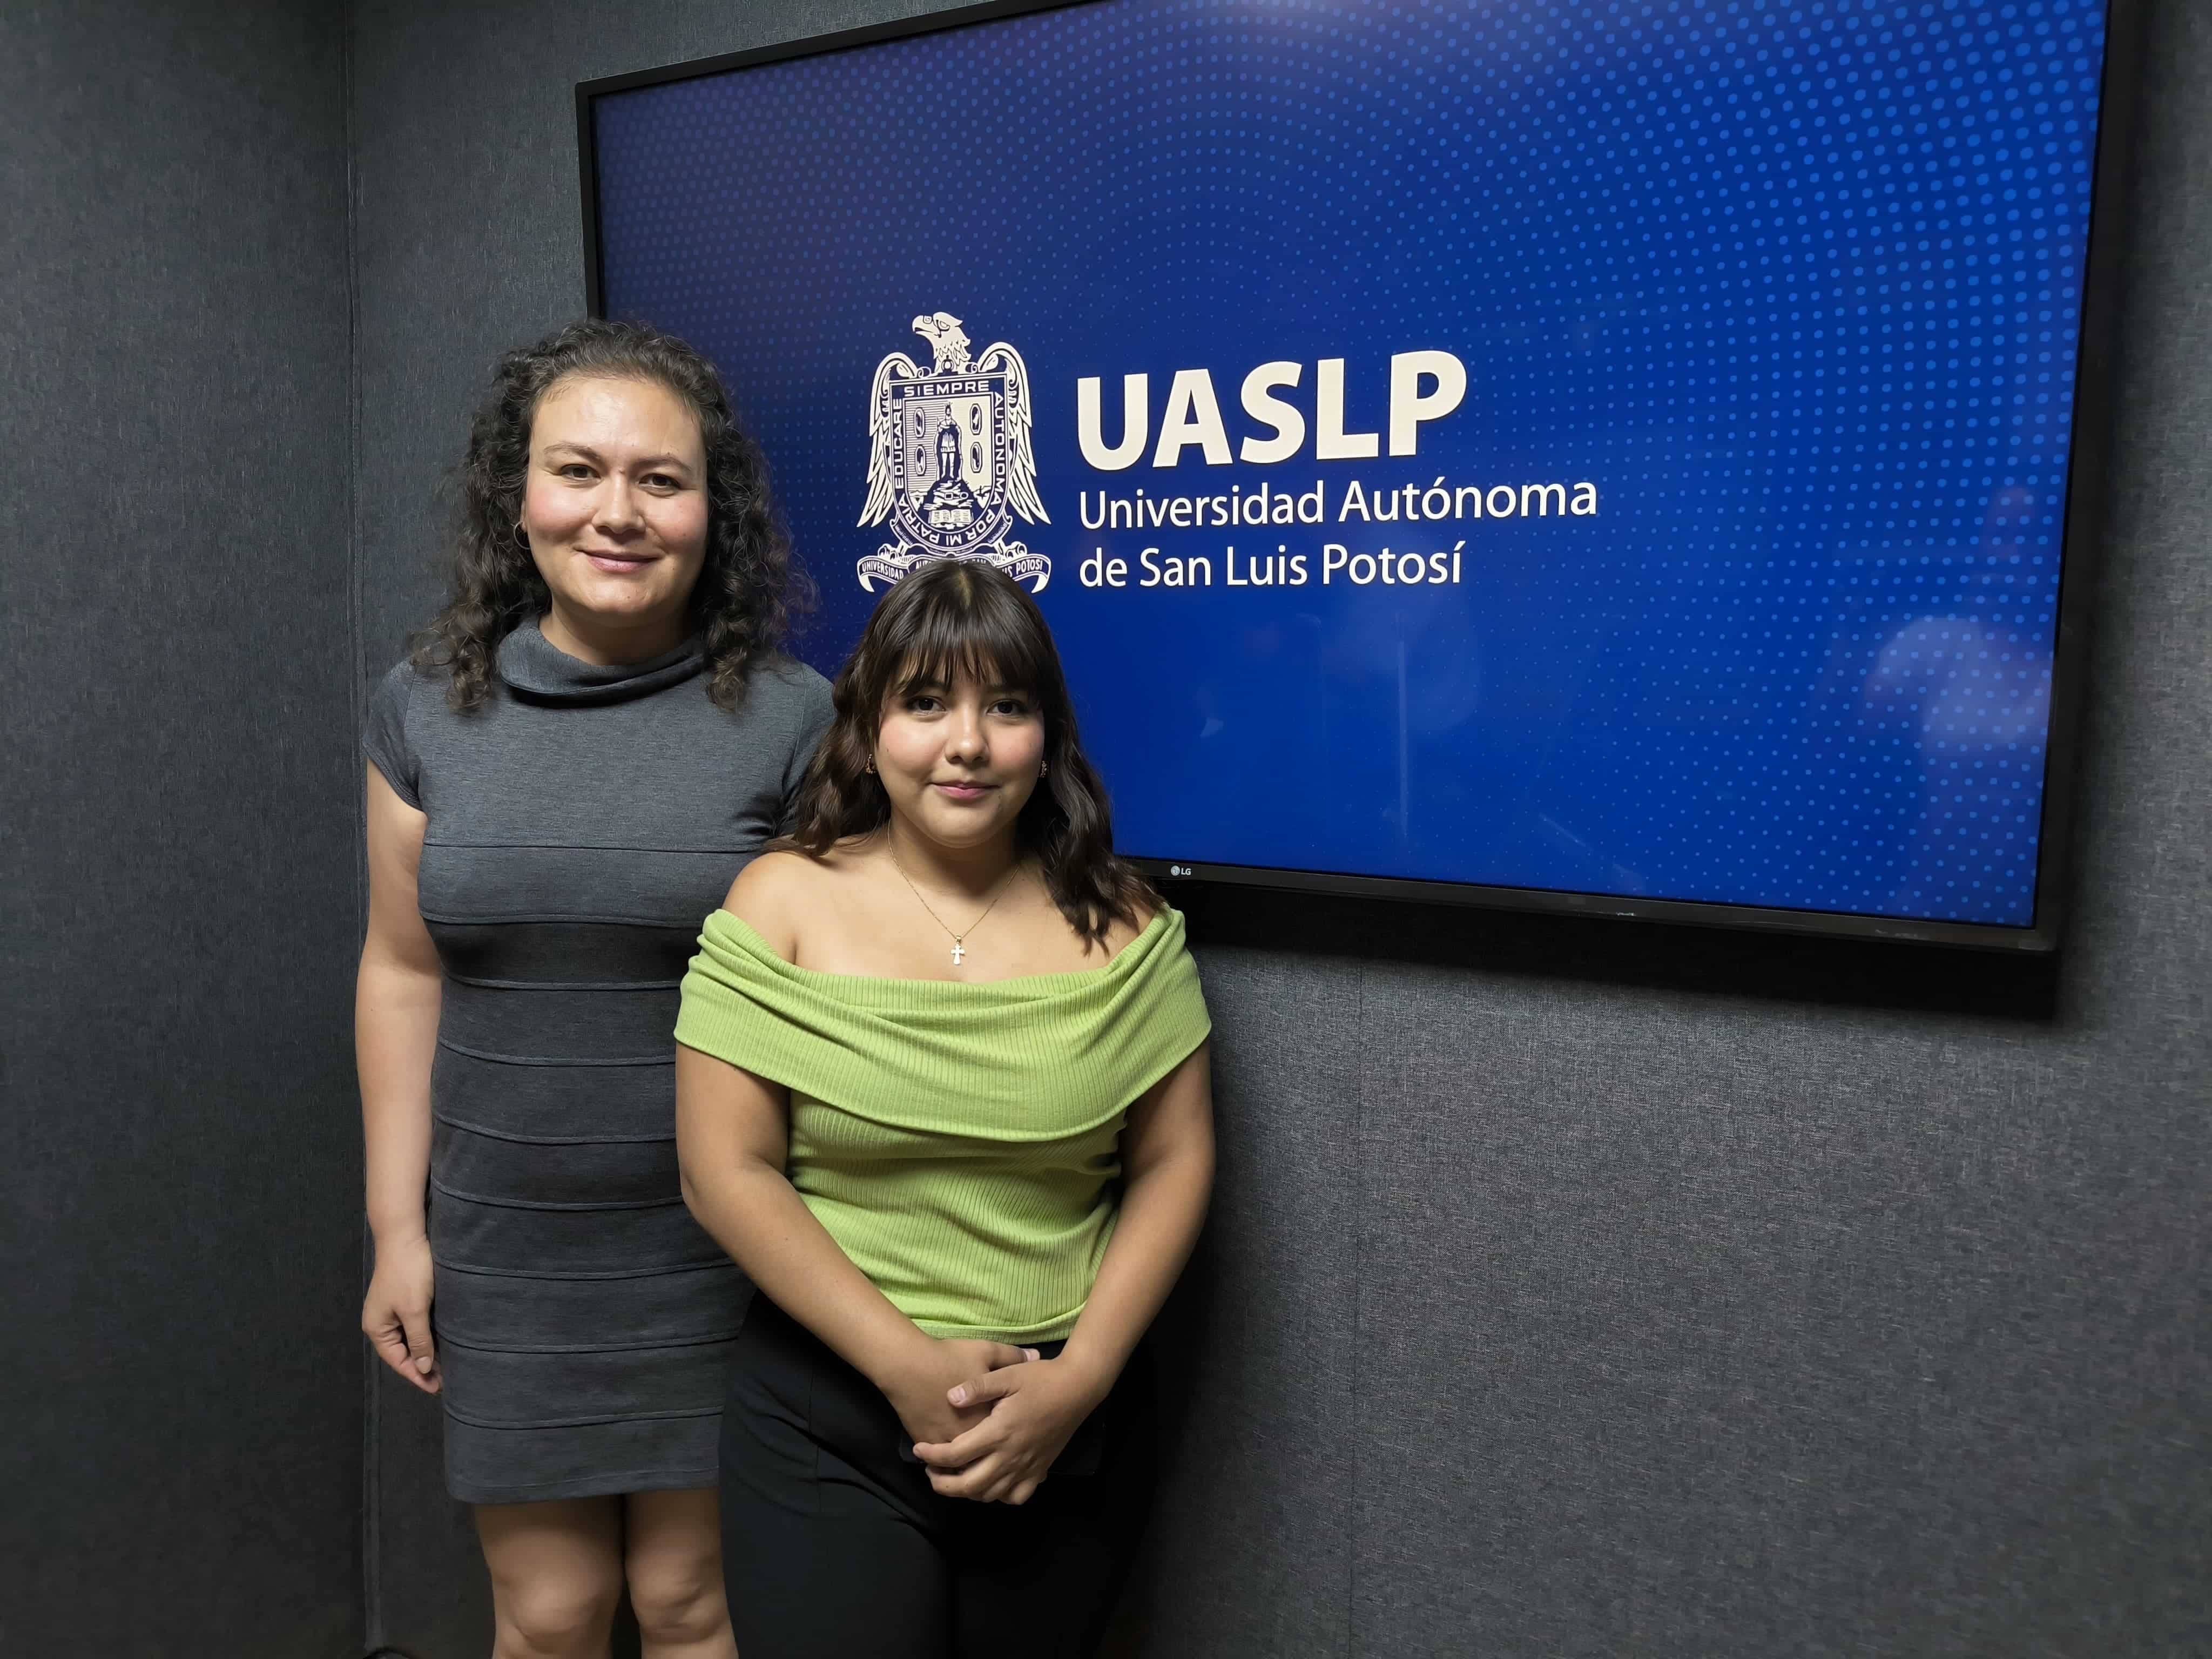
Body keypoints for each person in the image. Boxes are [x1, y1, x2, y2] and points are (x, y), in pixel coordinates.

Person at [356, 318, 832, 1659]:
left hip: (717, 1245)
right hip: (506, 1247)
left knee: (691, 1606)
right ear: (516, 497)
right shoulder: (424, 706)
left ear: (710, 514)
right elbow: (399, 967)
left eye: (659, 481)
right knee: (549, 1611)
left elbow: (838, 1006)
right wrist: (396, 1228)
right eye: (577, 471)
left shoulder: (794, 718)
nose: (616, 512)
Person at [673, 559, 1215, 1658]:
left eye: (1004, 707)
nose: (966, 742)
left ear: (1045, 739)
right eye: (925, 703)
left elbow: (1174, 1162)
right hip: (827, 1411)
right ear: (870, 730)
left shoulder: (1125, 924)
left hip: (1057, 1422)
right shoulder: (782, 899)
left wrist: (1082, 1380)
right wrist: (905, 1367)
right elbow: (723, 1170)